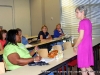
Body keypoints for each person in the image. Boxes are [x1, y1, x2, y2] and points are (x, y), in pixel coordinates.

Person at [74, 6, 95, 75]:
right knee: (85, 66)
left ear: (82, 12)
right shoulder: (88, 21)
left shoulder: (82, 22)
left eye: (77, 12)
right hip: (87, 46)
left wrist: (75, 46)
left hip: (83, 47)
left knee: (85, 67)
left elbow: (81, 37)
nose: (76, 14)